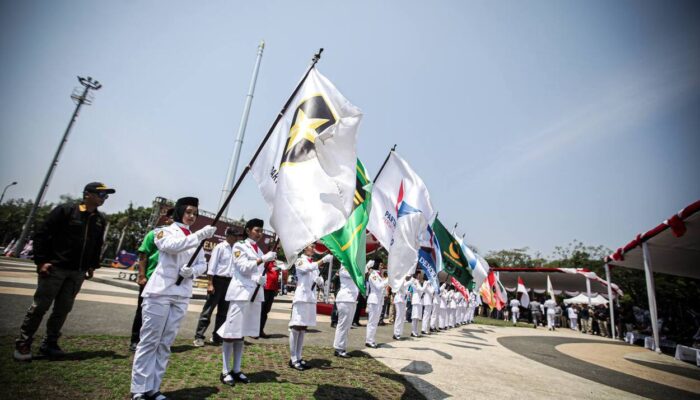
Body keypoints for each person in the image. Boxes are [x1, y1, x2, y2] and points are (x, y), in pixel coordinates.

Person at [14, 182, 114, 361]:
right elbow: (42, 234)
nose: (103, 198)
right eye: (101, 194)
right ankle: (23, 342)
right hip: (56, 268)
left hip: (77, 272)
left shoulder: (99, 220)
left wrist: (92, 266)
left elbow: (96, 245)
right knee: (40, 307)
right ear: (87, 194)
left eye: (106, 196)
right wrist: (42, 261)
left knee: (63, 309)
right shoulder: (66, 211)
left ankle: (50, 343)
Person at [130, 196, 216, 400]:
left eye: (195, 213)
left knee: (165, 342)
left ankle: (154, 388)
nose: (192, 216)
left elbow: (202, 264)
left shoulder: (196, 237)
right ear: (179, 212)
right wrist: (199, 236)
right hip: (160, 291)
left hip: (181, 293)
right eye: (188, 212)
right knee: (150, 340)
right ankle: (139, 389)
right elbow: (170, 246)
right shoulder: (163, 231)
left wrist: (192, 271)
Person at [216, 218, 276, 386]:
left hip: (254, 294)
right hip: (241, 293)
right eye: (257, 230)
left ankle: (236, 369)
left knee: (241, 333)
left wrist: (260, 278)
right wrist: (263, 260)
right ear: (248, 230)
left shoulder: (258, 250)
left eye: (261, 231)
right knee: (231, 333)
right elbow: (242, 267)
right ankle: (225, 370)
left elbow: (253, 271)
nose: (259, 233)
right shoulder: (240, 246)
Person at [130, 208, 175, 352]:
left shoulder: (182, 238)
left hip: (168, 282)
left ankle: (156, 341)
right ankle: (135, 340)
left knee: (164, 314)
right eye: (173, 217)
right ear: (167, 219)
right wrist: (142, 275)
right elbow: (143, 255)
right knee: (143, 311)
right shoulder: (154, 234)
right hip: (150, 279)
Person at [288, 244, 331, 370]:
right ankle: (293, 358)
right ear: (304, 248)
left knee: (303, 328)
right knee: (296, 326)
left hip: (310, 298)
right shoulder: (300, 260)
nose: (313, 248)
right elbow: (306, 269)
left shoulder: (314, 262)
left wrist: (320, 281)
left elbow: (315, 276)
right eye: (311, 246)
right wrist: (323, 260)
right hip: (301, 297)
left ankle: (299, 356)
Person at [193, 227, 237, 347]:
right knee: (208, 310)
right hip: (217, 281)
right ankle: (199, 336)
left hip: (229, 282)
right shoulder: (220, 247)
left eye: (237, 236)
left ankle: (217, 337)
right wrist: (210, 283)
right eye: (234, 235)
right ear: (228, 235)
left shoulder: (236, 249)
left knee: (223, 312)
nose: (236, 238)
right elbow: (212, 266)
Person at [333, 262, 358, 357]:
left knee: (347, 325)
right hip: (345, 299)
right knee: (343, 324)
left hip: (351, 299)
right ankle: (338, 348)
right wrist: (365, 267)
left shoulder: (351, 267)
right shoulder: (344, 268)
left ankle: (342, 347)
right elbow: (355, 275)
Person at [259, 241, 281, 338]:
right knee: (260, 310)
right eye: (276, 249)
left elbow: (276, 276)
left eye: (278, 250)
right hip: (265, 288)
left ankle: (260, 330)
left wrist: (277, 289)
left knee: (266, 311)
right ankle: (254, 330)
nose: (278, 251)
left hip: (272, 289)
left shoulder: (276, 262)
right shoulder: (266, 259)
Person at [365, 259, 388, 348]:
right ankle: (368, 340)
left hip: (379, 300)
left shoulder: (379, 275)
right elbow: (378, 286)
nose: (382, 267)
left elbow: (382, 288)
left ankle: (372, 339)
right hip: (374, 300)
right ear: (377, 265)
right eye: (381, 265)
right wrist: (388, 280)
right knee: (372, 321)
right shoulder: (373, 275)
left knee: (375, 321)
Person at [392, 275, 411, 339]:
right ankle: (396, 333)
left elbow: (405, 287)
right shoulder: (400, 280)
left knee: (402, 316)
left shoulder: (405, 281)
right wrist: (411, 281)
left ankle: (399, 333)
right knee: (399, 316)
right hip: (399, 299)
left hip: (403, 300)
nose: (409, 276)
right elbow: (402, 288)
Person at [410, 271, 425, 337]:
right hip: (416, 300)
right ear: (416, 275)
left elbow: (421, 291)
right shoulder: (415, 281)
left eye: (420, 275)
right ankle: (413, 331)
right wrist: (425, 285)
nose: (419, 276)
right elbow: (420, 289)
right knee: (414, 317)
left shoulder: (418, 281)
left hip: (419, 300)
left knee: (417, 317)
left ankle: (415, 331)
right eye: (418, 274)